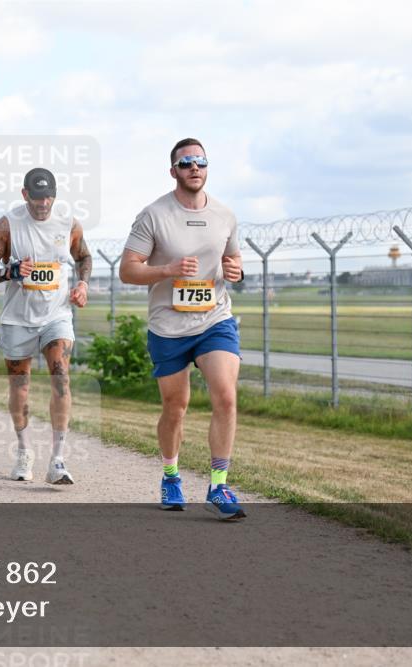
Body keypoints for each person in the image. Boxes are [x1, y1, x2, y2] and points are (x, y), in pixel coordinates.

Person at [119, 137, 246, 520]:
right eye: (187, 162)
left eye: (201, 162)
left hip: (214, 320)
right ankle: (171, 475)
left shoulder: (224, 215)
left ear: (207, 169)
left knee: (225, 395)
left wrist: (236, 271)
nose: (195, 168)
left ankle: (218, 485)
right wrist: (168, 270)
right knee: (176, 407)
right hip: (168, 327)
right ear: (173, 170)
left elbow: (233, 260)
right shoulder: (154, 215)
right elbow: (128, 270)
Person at [0, 168, 91, 485]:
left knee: (60, 376)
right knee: (19, 390)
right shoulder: (7, 225)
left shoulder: (69, 224)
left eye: (49, 197)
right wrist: (8, 272)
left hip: (56, 315)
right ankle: (24, 451)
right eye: (37, 197)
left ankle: (58, 460)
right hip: (17, 319)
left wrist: (82, 284)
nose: (43, 203)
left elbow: (84, 256)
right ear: (25, 195)